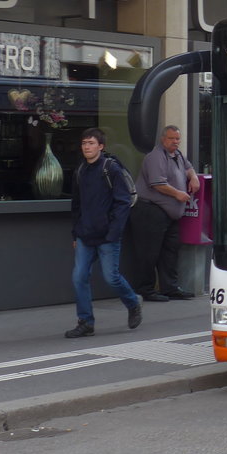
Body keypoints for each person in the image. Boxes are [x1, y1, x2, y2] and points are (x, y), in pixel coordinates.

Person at [66, 128, 141, 337]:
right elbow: (76, 205)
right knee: (79, 277)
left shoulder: (111, 169)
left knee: (111, 278)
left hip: (107, 235)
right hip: (85, 235)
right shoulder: (80, 171)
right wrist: (75, 234)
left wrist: (113, 232)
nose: (86, 147)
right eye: (84, 143)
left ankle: (133, 303)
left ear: (101, 146)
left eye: (90, 143)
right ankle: (85, 322)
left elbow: (123, 202)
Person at [131, 124, 200, 300]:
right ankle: (145, 289)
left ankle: (170, 287)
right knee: (149, 252)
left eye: (177, 139)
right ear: (163, 139)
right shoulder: (155, 157)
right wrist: (178, 193)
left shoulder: (177, 155)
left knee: (170, 251)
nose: (175, 142)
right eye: (171, 138)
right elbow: (157, 183)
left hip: (170, 215)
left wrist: (193, 177)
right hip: (151, 210)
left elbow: (188, 168)